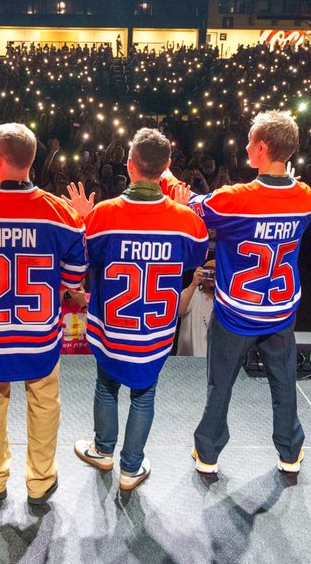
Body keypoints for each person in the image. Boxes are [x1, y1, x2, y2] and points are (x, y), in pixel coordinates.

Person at [174, 111, 311, 475]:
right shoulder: (305, 199)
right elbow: (301, 198)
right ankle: (290, 454)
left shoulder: (234, 198)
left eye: (251, 141)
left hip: (237, 314)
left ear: (264, 147)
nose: (245, 146)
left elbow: (192, 206)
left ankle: (207, 454)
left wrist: (173, 186)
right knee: (284, 384)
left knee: (219, 384)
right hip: (281, 311)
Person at [65, 128, 208, 490]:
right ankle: (131, 468)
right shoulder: (186, 220)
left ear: (129, 165)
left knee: (106, 385)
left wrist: (82, 220)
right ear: (167, 167)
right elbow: (193, 258)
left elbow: (86, 260)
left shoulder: (103, 215)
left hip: (111, 329)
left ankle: (103, 451)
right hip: (156, 332)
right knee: (145, 394)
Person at [0, 123, 87, 505]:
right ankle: (40, 481)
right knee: (45, 403)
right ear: (32, 160)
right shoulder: (60, 212)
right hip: (40, 333)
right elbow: (74, 278)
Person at [176, 259, 216, 356]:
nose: (210, 277)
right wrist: (194, 284)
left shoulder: (225, 301)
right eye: (207, 272)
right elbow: (178, 311)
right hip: (189, 361)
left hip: (215, 360)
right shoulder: (193, 293)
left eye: (214, 273)